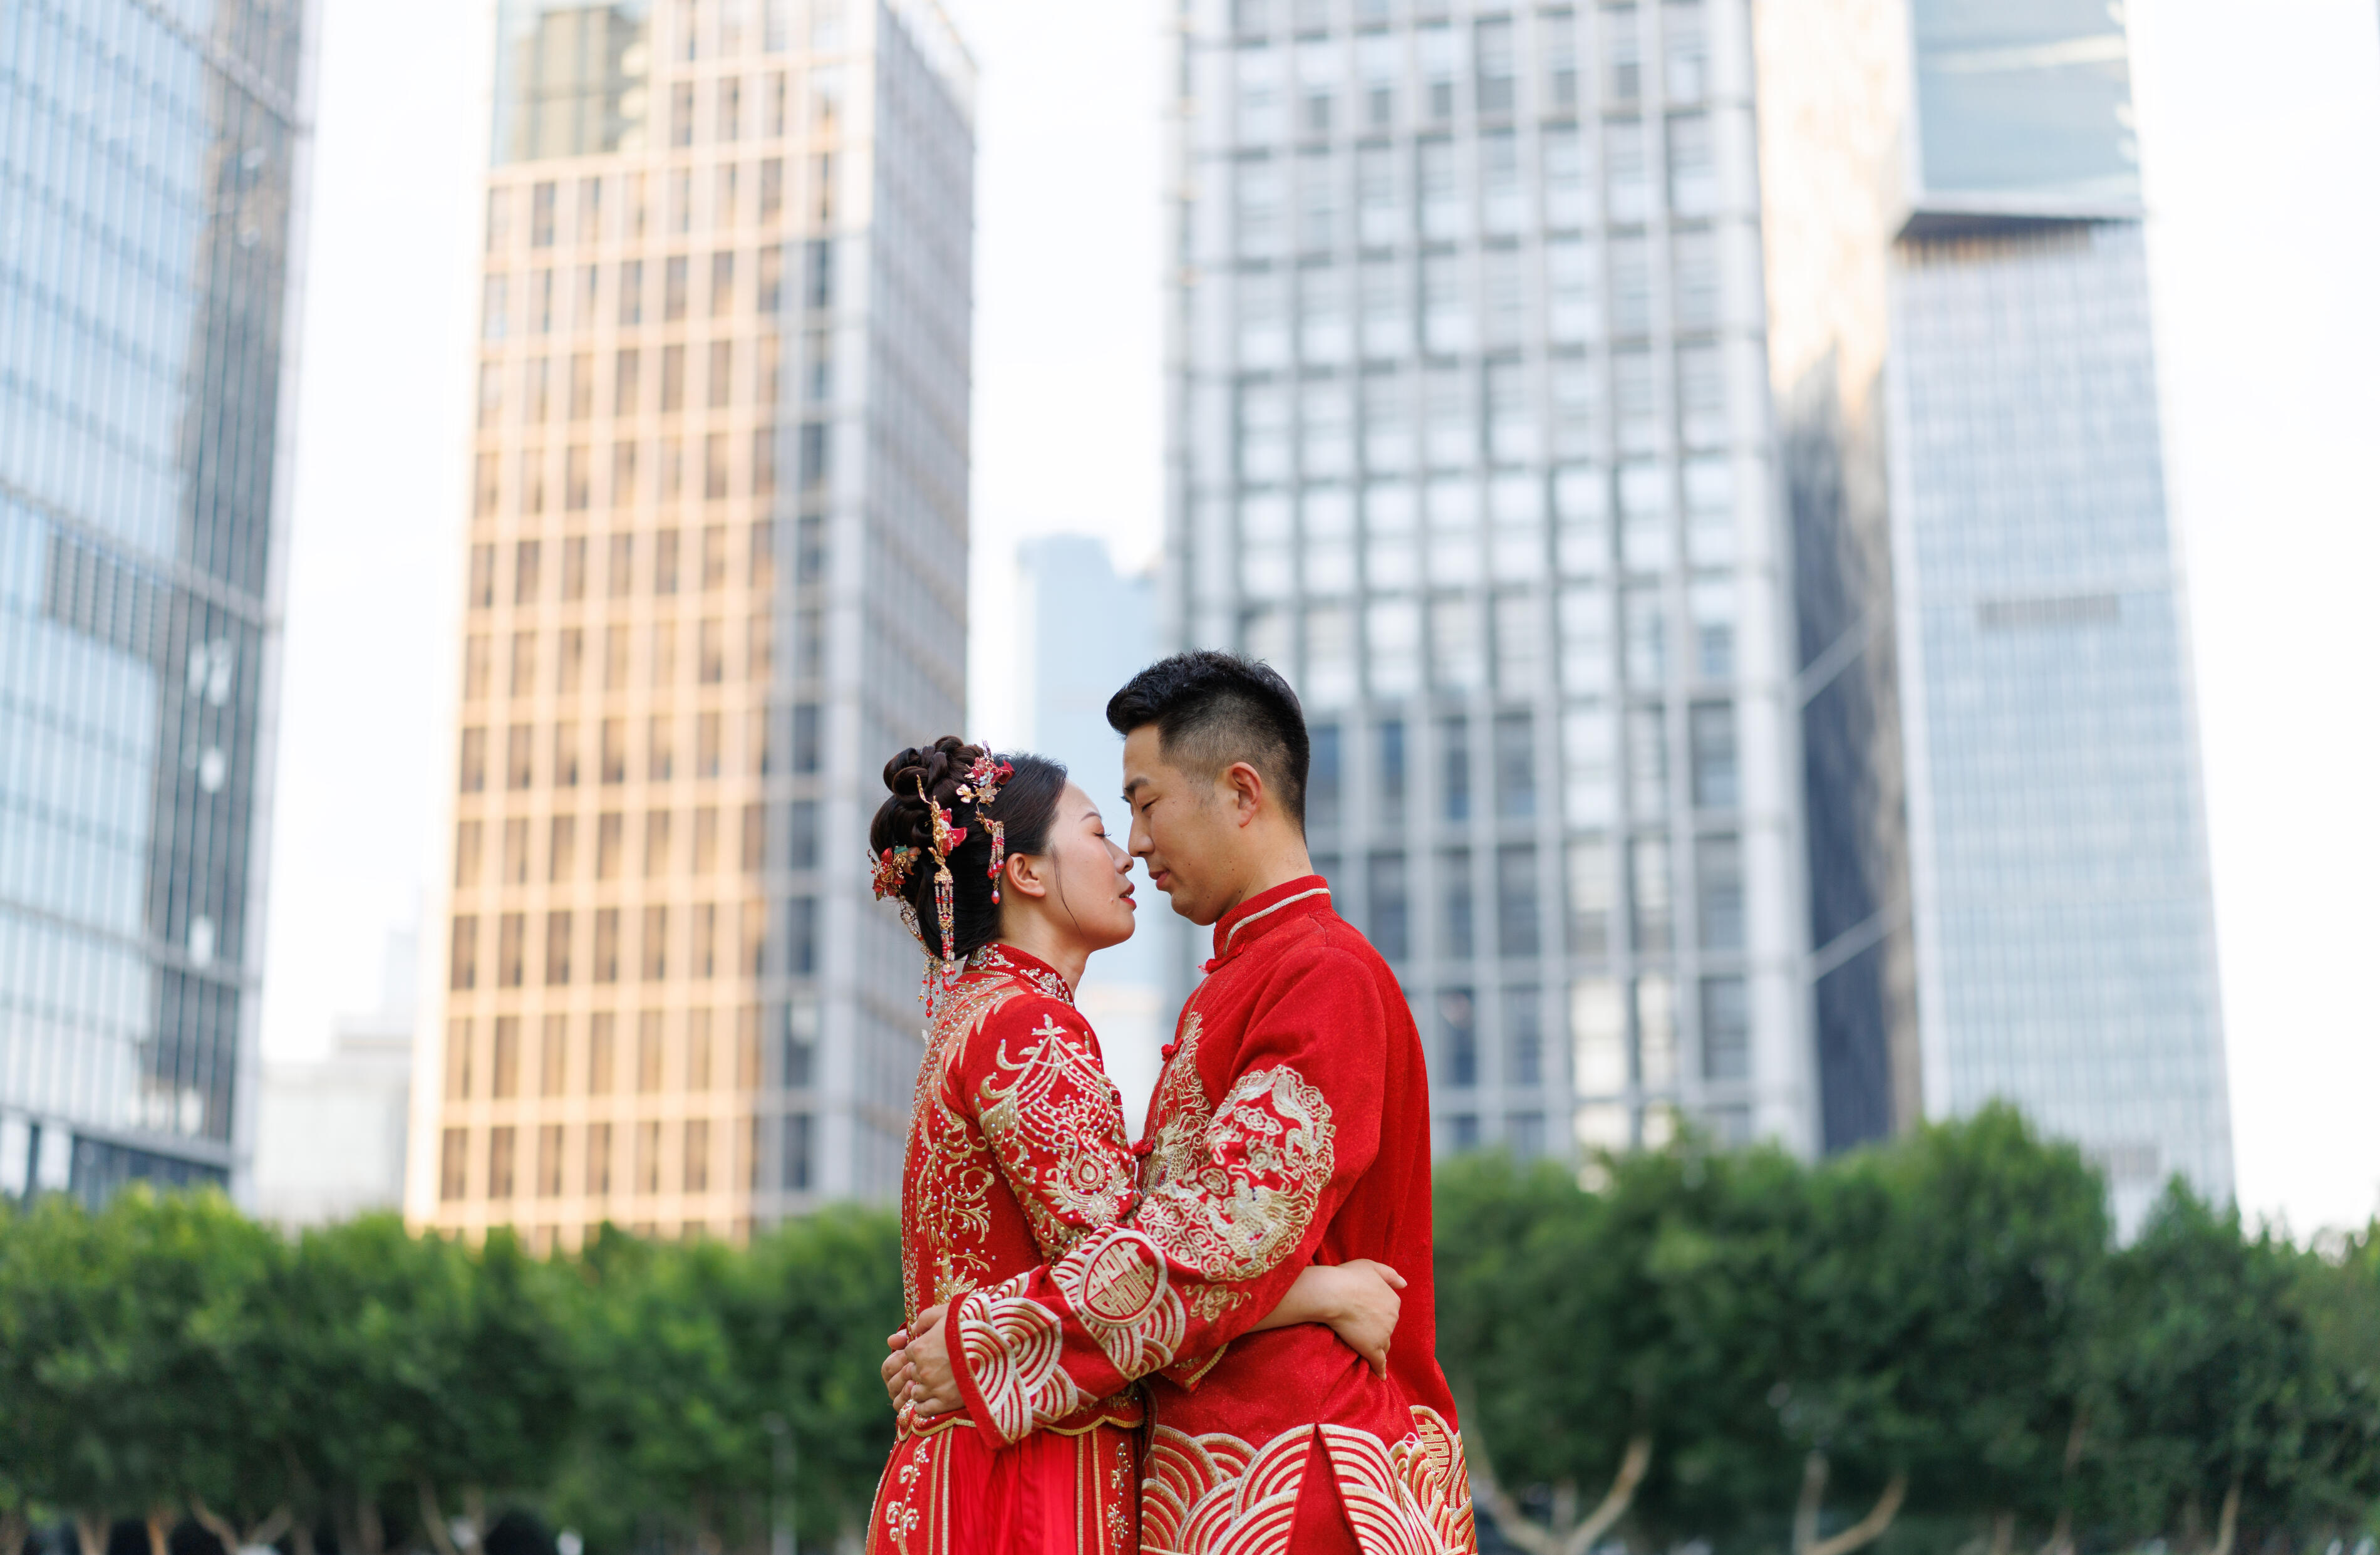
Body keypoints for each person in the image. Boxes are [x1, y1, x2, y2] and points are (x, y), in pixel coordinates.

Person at [891, 658, 1479, 1555]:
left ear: (1240, 792)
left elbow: (1220, 1233)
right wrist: (1326, 1288)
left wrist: (988, 1342)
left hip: (1301, 1474)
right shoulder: (1231, 983)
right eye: (1114, 817)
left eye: (1146, 802)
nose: (1134, 840)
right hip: (1223, 1477)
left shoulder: (1321, 974)